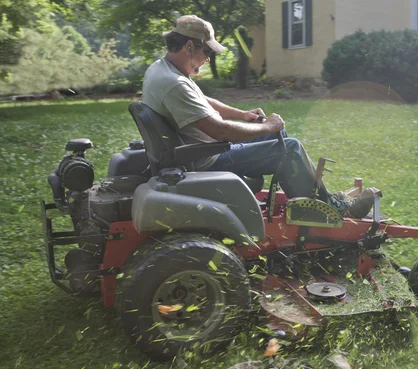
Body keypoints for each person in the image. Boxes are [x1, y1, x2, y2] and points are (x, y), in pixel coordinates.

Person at [141, 15, 378, 218]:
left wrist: (244, 115)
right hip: (206, 161)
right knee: (290, 148)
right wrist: (268, 127)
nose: (209, 58)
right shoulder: (175, 84)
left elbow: (203, 101)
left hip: (199, 150)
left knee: (281, 136)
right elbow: (219, 130)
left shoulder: (163, 69)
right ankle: (328, 211)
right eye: (208, 51)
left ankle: (314, 199)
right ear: (190, 47)